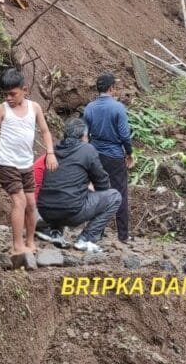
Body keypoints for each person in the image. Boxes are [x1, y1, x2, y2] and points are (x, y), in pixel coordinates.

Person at [0, 68, 57, 255]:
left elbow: (45, 131)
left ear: (25, 89)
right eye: (5, 94)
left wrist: (50, 152)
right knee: (20, 201)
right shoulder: (1, 110)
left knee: (31, 203)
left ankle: (30, 242)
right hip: (6, 163)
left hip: (26, 164)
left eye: (13, 94)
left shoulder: (35, 108)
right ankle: (17, 245)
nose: (8, 98)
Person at [37, 119, 122, 254]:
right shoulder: (87, 149)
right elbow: (102, 183)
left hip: (44, 210)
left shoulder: (53, 149)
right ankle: (86, 239)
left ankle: (54, 231)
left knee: (66, 190)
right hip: (71, 211)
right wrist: (94, 194)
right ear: (83, 136)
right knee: (114, 196)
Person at [82, 73, 135, 244]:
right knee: (120, 193)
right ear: (111, 88)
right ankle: (123, 235)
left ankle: (97, 233)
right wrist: (129, 153)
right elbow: (125, 135)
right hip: (114, 156)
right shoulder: (118, 107)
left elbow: (84, 134)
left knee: (98, 192)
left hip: (95, 155)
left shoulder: (89, 107)